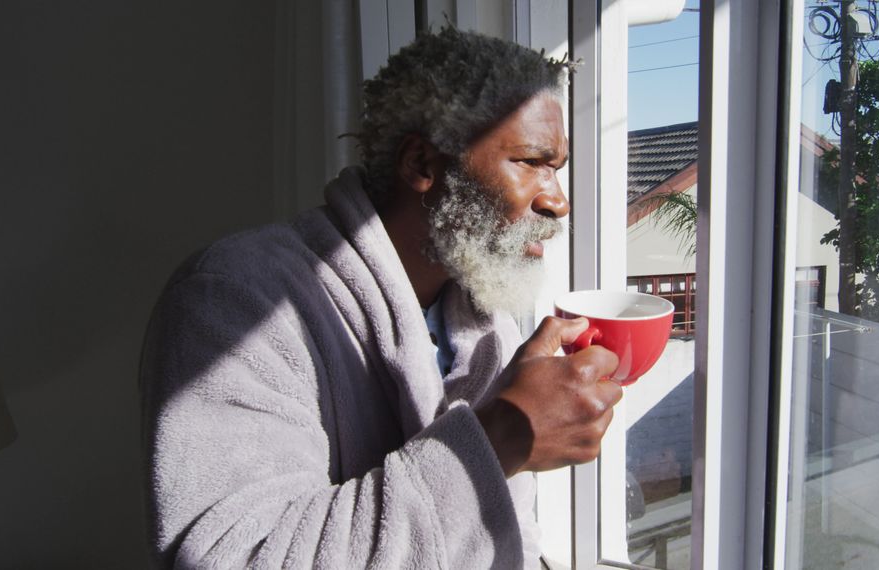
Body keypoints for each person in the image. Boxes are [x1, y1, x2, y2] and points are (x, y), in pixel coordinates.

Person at [140, 26, 622, 569]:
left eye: (557, 168)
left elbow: (514, 541)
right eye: (532, 161)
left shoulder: (485, 325)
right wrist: (496, 441)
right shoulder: (235, 299)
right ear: (422, 164)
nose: (558, 201)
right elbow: (235, 556)